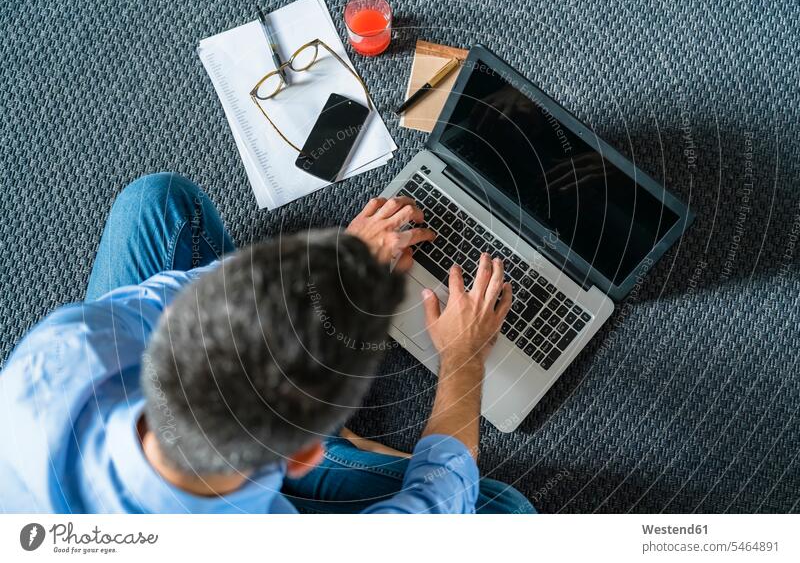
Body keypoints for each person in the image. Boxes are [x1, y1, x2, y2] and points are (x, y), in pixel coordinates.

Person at [0, 172, 535, 514]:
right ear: (304, 453)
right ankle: (349, 453)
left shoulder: (63, 354)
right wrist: (463, 360)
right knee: (506, 515)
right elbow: (432, 506)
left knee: (159, 204)